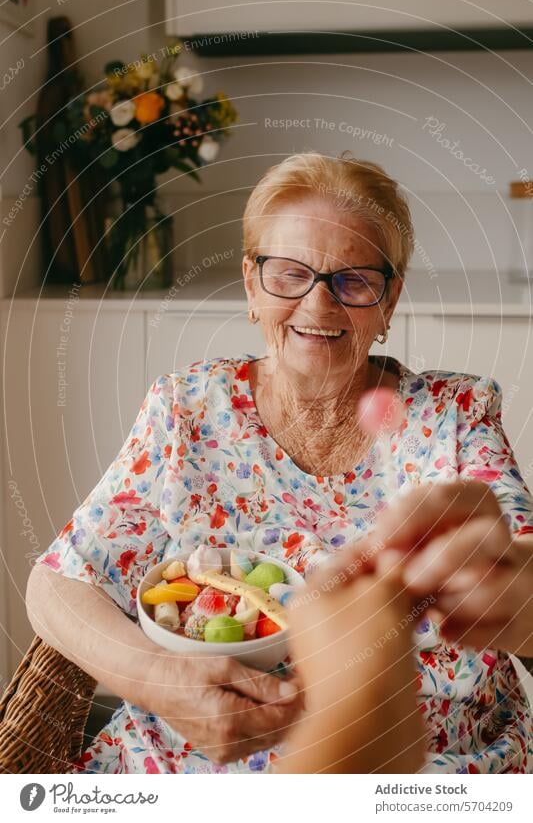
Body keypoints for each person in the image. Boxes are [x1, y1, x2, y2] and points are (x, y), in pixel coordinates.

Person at [27, 152, 533, 773]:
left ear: (389, 300)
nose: (319, 306)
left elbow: (519, 576)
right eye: (290, 274)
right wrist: (161, 680)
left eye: (353, 280)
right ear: (251, 284)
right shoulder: (189, 407)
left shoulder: (453, 415)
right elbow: (58, 582)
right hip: (190, 770)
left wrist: (515, 597)